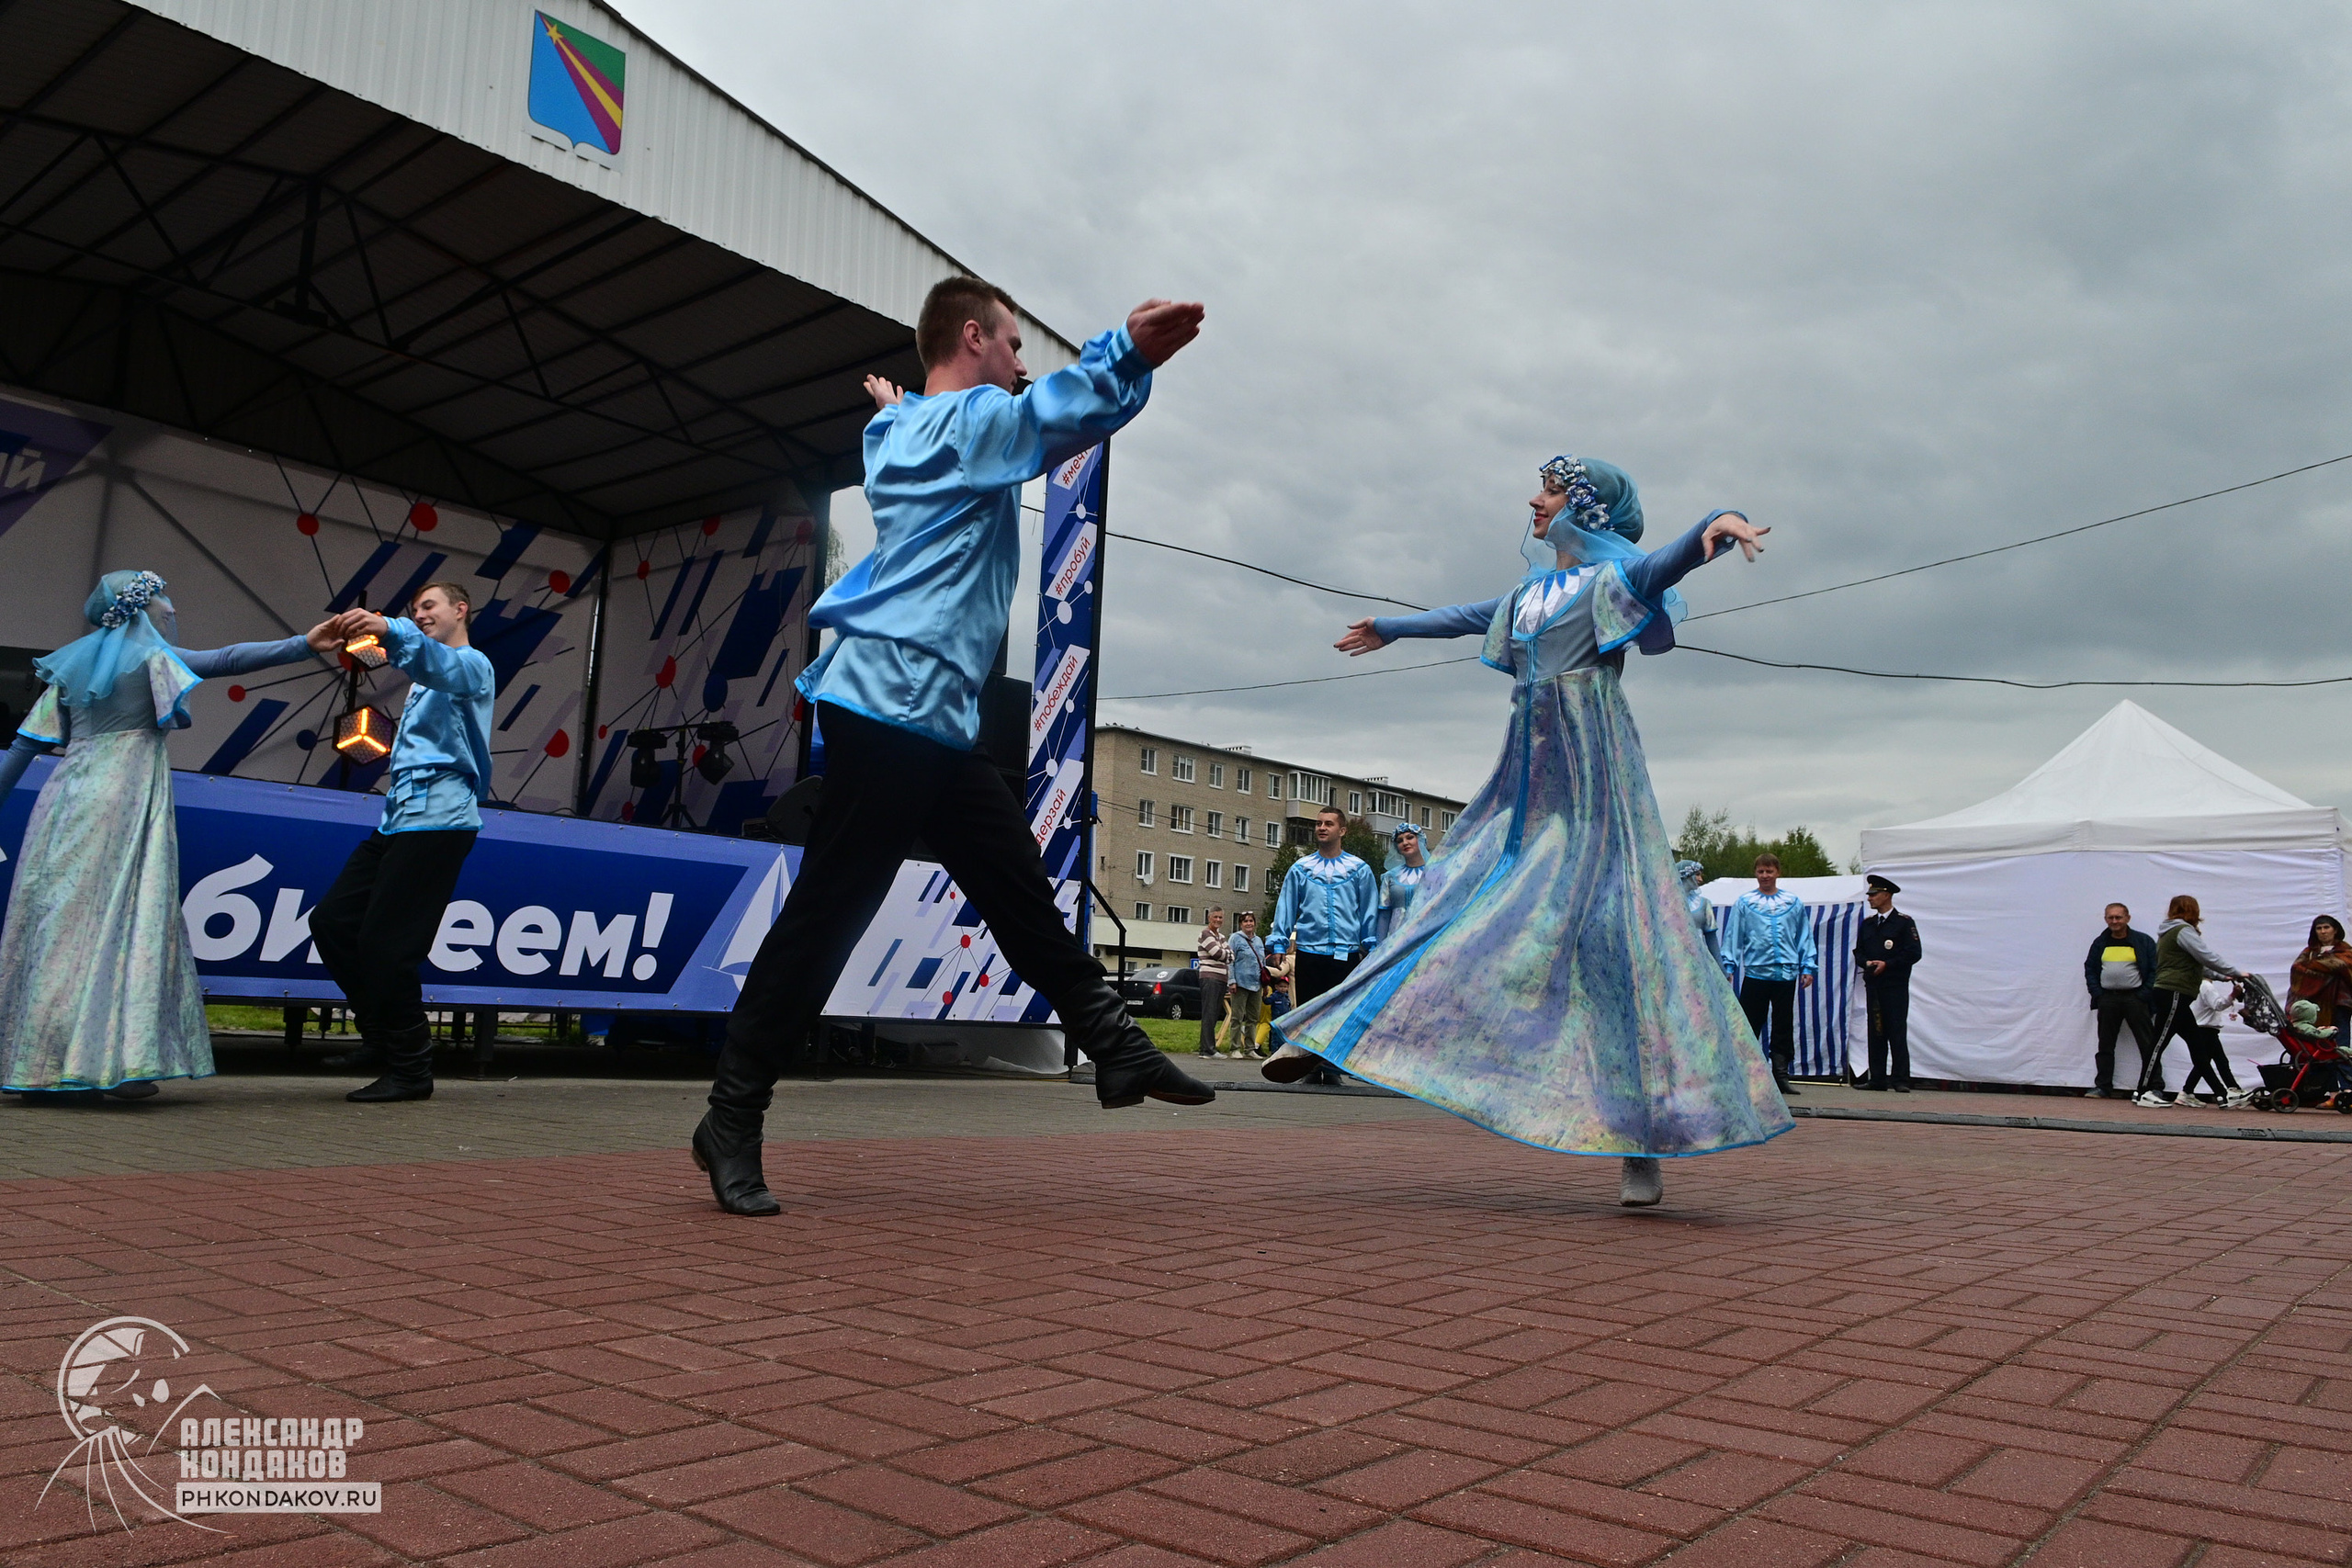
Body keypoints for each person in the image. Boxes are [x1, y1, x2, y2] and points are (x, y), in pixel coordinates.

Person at [694, 279, 1212, 1216]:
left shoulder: (904, 431)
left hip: (935, 716)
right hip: (890, 706)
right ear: (972, 338)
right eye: (1012, 344)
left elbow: (926, 427)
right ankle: (730, 1116)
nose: (1022, 364)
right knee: (827, 919)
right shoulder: (970, 421)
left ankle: (1116, 1047)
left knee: (1015, 886)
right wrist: (1125, 357)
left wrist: (904, 406)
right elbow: (1050, 412)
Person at [1273, 452, 1790, 1208]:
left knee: (1620, 941)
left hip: (1597, 776)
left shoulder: (1610, 581)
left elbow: (1665, 566)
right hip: (1529, 777)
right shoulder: (1529, 593)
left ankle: (1642, 1143)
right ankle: (1331, 1028)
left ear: (1585, 506)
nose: (1534, 500)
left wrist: (1714, 523)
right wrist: (1390, 626)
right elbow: (1461, 618)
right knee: (1454, 891)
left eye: (1549, 490)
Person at [0, 570, 337, 1101]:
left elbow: (21, 749)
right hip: (125, 797)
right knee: (124, 923)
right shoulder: (152, 658)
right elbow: (227, 660)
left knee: (58, 925)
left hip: (66, 798)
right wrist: (303, 644)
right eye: (159, 596)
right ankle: (110, 1062)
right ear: (140, 607)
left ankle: (42, 1065)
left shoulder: (71, 663)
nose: (169, 606)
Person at [307, 584, 496, 1106]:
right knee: (332, 922)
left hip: (440, 822)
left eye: (429, 606)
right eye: (414, 611)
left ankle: (411, 1069)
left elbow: (439, 665)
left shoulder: (473, 664)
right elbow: (423, 666)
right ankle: (382, 1037)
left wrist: (391, 628)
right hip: (397, 821)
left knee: (388, 948)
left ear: (462, 609)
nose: (421, 614)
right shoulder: (421, 677)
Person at [1261, 805, 1379, 1085]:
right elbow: (1287, 907)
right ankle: (1310, 1065)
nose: (1321, 828)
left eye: (1328, 823)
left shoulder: (1359, 869)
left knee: (1340, 1011)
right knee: (1310, 1009)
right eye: (1318, 824)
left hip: (1346, 952)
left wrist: (1371, 945)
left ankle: (1334, 1066)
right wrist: (1278, 944)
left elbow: (1368, 910)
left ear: (1342, 830)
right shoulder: (1301, 869)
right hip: (1310, 951)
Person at [2138, 894, 2253, 1108]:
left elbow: (2197, 964)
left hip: (2176, 993)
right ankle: (2143, 1092)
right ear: (2193, 911)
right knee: (2159, 1042)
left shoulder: (2169, 933)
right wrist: (2234, 971)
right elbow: (2206, 955)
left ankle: (2222, 1093)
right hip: (2173, 992)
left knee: (2197, 1045)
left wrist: (2224, 976)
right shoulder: (2183, 931)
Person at [1720, 853, 1817, 1096]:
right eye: (1761, 872)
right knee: (1751, 1023)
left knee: (1783, 1024)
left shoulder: (1792, 903)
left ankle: (1781, 1075)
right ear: (1755, 873)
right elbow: (1733, 936)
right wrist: (1728, 966)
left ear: (1778, 873)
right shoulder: (1745, 903)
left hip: (1785, 973)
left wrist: (1808, 966)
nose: (1765, 876)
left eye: (1769, 871)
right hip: (1756, 973)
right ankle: (1747, 1075)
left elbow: (1803, 936)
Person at [2083, 902, 2159, 1100]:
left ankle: (2154, 1086)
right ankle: (2103, 1087)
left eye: (2118, 917)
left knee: (2147, 1043)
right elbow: (2090, 969)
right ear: (2106, 919)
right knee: (2105, 1045)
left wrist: (2143, 995)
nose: (2114, 921)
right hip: (2108, 999)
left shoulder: (2143, 941)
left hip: (2135, 999)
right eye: (2110, 917)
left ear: (2127, 918)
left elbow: (2155, 970)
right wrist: (2098, 994)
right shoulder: (2100, 942)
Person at [1853, 874, 1919, 1091]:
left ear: (1886, 895)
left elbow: (1913, 953)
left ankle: (1900, 1080)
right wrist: (1867, 962)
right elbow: (1859, 951)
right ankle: (1878, 1078)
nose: (1870, 898)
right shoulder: (1868, 924)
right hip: (1874, 985)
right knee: (1876, 1031)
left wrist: (1888, 964)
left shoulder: (1903, 923)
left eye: (1874, 894)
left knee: (1896, 1031)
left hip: (1895, 986)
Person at [2289, 916, 2352, 1043]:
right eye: (2319, 928)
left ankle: (2341, 1062)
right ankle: (2317, 1062)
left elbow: (2345, 966)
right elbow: (2297, 970)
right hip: (2313, 1003)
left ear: (2335, 930)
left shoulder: (2346, 951)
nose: (2323, 931)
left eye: (2326, 927)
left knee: (2340, 1035)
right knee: (2313, 1035)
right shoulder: (2308, 953)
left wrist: (2315, 970)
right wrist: (2328, 971)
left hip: (2339, 1003)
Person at [1222, 910, 1267, 1057]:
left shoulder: (1259, 941)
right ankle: (1234, 1048)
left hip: (1256, 984)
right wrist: (1232, 981)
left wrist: (1265, 984)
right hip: (1240, 984)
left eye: (1251, 921)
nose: (1249, 923)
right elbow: (1230, 961)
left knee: (1253, 1018)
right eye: (1245, 921)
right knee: (1237, 1017)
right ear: (1241, 924)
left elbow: (1263, 963)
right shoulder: (1235, 938)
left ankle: (1249, 1049)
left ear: (1254, 923)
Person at [1376, 824, 1430, 942]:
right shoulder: (1390, 876)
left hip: (1425, 938)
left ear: (1421, 840)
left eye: (1410, 837)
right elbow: (1384, 915)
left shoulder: (1435, 872)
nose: (1405, 843)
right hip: (1395, 940)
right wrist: (1379, 947)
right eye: (1400, 841)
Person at [1193, 907, 1230, 1058]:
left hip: (1221, 979)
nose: (1218, 920)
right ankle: (1207, 1050)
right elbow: (1218, 953)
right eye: (1215, 917)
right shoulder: (1205, 934)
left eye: (1221, 917)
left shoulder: (1221, 936)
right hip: (1210, 978)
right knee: (1209, 1013)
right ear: (1209, 918)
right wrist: (1225, 954)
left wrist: (1225, 954)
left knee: (1214, 1014)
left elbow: (1230, 955)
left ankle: (1208, 1048)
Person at [1677, 860, 1718, 963]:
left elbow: (1712, 940)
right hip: (1674, 963)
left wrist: (1722, 969)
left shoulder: (1704, 904)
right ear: (1686, 875)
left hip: (1699, 961)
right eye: (1697, 874)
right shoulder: (1667, 904)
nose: (1701, 879)